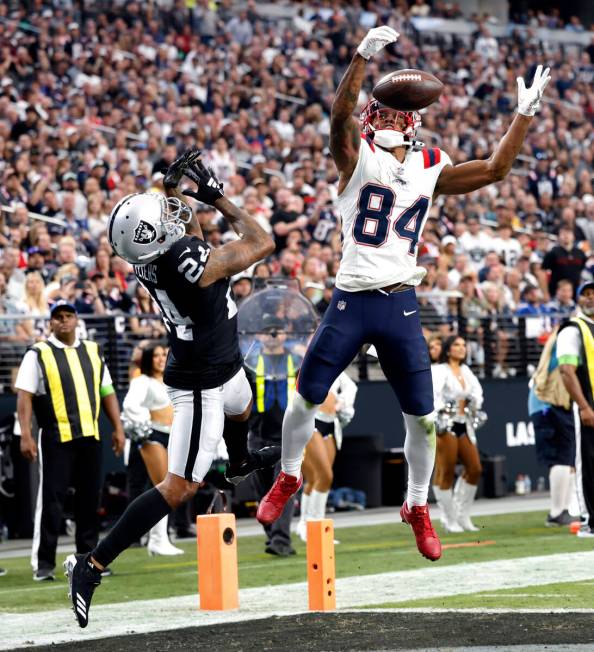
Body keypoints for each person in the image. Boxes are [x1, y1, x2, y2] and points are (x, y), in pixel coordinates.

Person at [256, 25, 550, 562]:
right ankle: (290, 475)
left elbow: (495, 168)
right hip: (350, 297)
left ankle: (417, 505)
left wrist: (523, 115)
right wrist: (361, 58)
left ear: (413, 121)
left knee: (423, 417)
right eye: (383, 114)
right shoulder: (355, 158)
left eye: (400, 115)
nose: (392, 120)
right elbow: (339, 119)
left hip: (399, 302)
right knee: (304, 396)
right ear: (373, 119)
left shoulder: (429, 164)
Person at [64, 150, 276, 628]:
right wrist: (217, 196)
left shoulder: (155, 257)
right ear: (159, 238)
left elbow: (187, 238)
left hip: (219, 362)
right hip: (201, 380)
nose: (172, 214)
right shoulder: (188, 262)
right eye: (164, 216)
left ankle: (238, 461)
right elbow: (263, 241)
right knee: (180, 486)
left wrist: (175, 193)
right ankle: (92, 564)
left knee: (245, 401)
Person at [15, 300, 125, 582]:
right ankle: (43, 563)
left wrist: (118, 428)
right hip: (56, 436)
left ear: (77, 320)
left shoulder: (93, 351)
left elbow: (107, 390)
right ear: (50, 322)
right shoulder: (38, 353)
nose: (63, 321)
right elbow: (24, 395)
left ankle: (88, 560)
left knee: (90, 500)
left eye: (68, 316)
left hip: (90, 434)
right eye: (57, 317)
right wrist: (25, 434)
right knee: (51, 499)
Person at [122, 343, 183, 556]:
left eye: (163, 354)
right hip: (153, 435)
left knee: (170, 488)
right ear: (148, 359)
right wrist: (146, 423)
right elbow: (130, 405)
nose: (160, 359)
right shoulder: (142, 381)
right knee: (163, 486)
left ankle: (158, 538)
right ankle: (157, 539)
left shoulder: (173, 379)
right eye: (156, 355)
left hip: (172, 436)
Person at [246, 316, 298, 557]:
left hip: (287, 437)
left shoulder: (295, 361)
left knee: (282, 490)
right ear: (259, 335)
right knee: (262, 492)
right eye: (267, 331)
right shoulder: (250, 362)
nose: (273, 335)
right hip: (257, 435)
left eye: (277, 330)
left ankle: (281, 540)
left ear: (285, 334)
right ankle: (272, 536)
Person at [296, 371, 357, 542]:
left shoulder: (337, 366)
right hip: (310, 420)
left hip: (331, 423)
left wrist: (342, 403)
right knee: (324, 476)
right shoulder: (310, 359)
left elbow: (351, 387)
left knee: (317, 479)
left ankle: (305, 524)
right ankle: (316, 529)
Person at [431, 336, 485, 533]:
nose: (461, 348)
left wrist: (474, 403)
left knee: (475, 468)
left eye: (463, 345)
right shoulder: (438, 370)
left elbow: (478, 394)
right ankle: (449, 519)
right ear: (447, 349)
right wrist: (440, 414)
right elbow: (433, 396)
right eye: (456, 345)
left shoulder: (466, 370)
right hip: (446, 424)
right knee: (446, 471)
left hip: (465, 423)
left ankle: (462, 515)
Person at [529, 327, 577, 527]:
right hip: (548, 403)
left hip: (558, 402)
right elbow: (567, 370)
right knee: (561, 457)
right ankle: (557, 512)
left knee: (569, 457)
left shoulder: (570, 331)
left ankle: (566, 510)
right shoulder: (571, 333)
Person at [557, 282, 594, 538]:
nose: (591, 298)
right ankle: (588, 520)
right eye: (587, 295)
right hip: (588, 406)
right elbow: (566, 371)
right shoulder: (573, 329)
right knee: (588, 463)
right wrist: (584, 406)